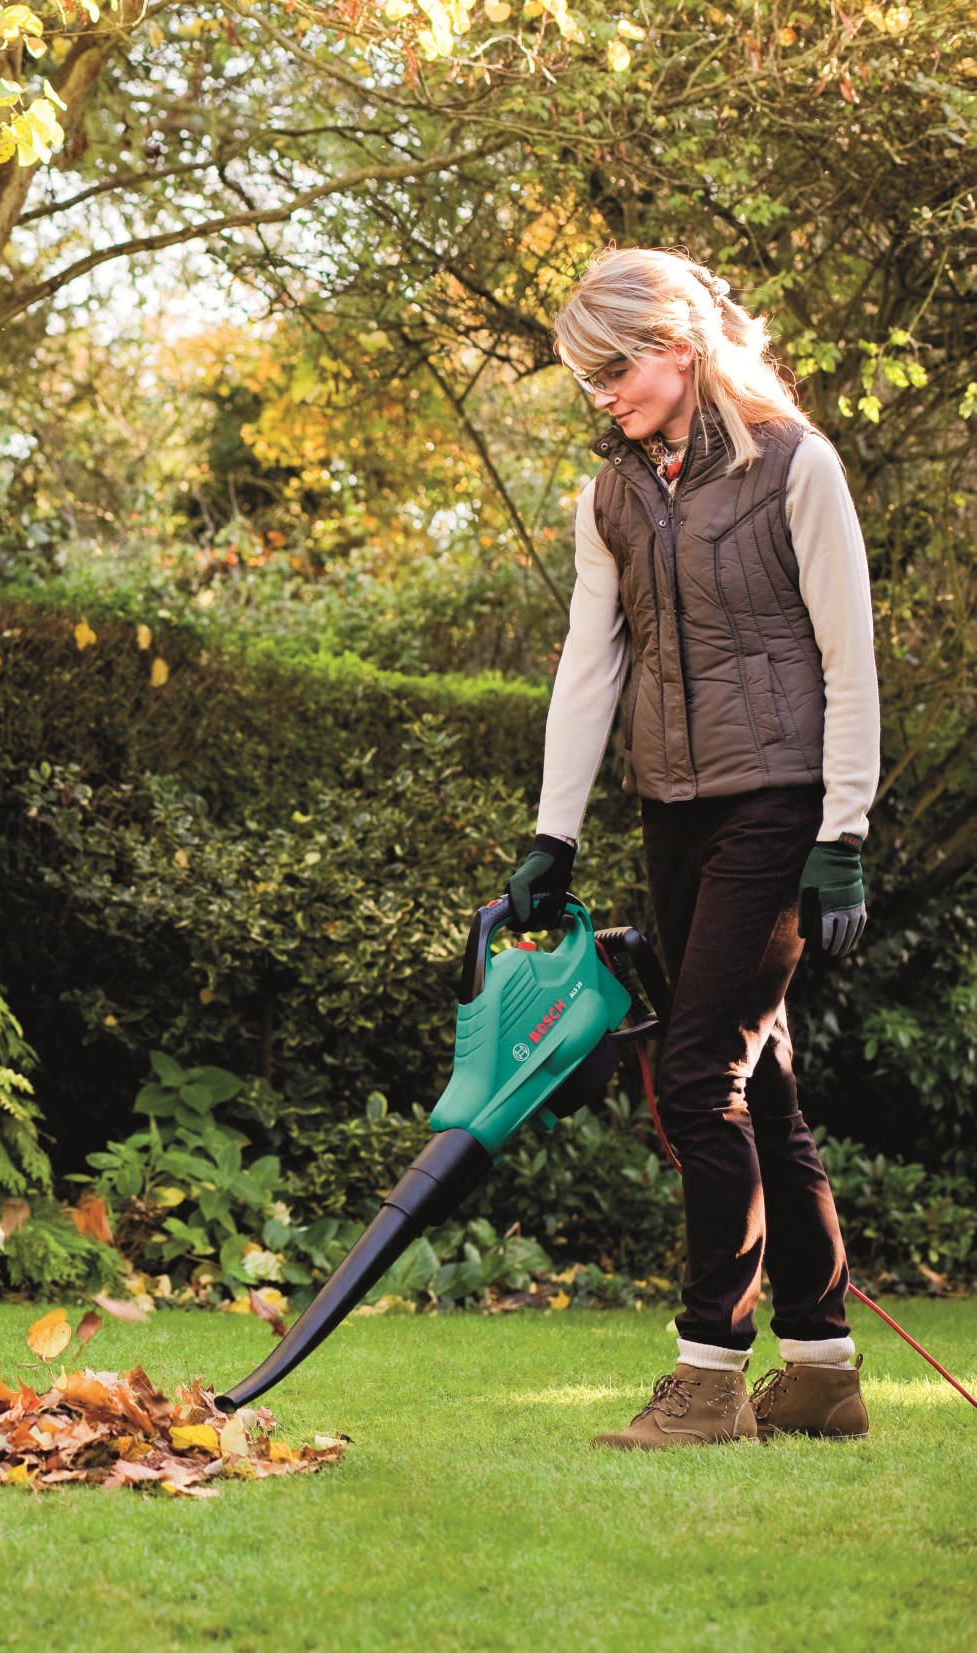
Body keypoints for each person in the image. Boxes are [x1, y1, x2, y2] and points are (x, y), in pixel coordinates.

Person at [507, 246, 879, 1450]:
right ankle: (818, 1374)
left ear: (676, 345)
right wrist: (549, 834)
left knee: (690, 1076)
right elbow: (588, 661)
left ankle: (708, 1375)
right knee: (758, 1085)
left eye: (610, 368)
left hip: (778, 803)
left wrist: (843, 830)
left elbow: (846, 657)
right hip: (674, 805)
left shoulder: (793, 466)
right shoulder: (610, 493)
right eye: (584, 378)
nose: (598, 394)